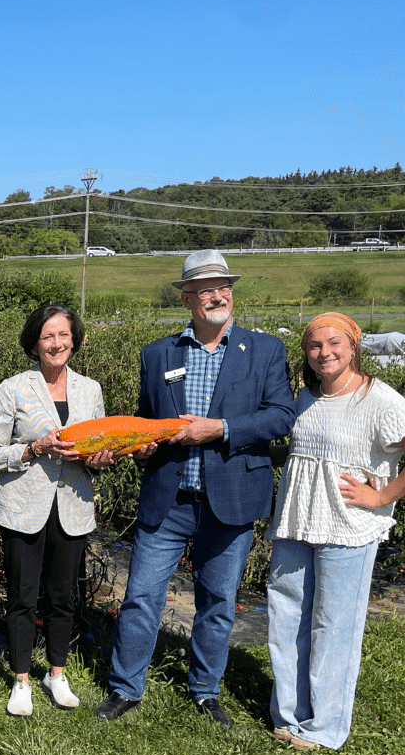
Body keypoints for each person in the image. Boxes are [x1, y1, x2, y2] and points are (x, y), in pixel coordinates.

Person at [96, 250, 294, 728]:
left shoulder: (264, 350)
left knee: (218, 603)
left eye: (223, 287)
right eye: (205, 290)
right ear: (186, 299)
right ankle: (126, 688)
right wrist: (140, 447)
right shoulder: (158, 354)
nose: (217, 296)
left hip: (231, 500)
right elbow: (146, 420)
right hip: (170, 500)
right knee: (141, 597)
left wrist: (220, 429)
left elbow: (281, 416)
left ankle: (205, 691)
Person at [268, 313, 405, 751]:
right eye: (314, 345)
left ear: (353, 347)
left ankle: (325, 727)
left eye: (334, 343)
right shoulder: (303, 398)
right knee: (287, 617)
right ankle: (288, 715)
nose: (324, 352)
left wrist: (381, 498)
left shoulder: (380, 400)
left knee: (333, 625)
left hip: (348, 526)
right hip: (296, 520)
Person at [0, 304, 113, 717]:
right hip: (24, 508)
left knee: (63, 596)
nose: (57, 344)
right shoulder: (14, 388)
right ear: (34, 343)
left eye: (64, 335)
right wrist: (35, 447)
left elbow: (100, 447)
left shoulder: (90, 390)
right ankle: (21, 678)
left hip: (72, 505)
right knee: (22, 596)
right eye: (47, 336)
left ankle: (56, 673)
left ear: (75, 339)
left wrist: (99, 459)